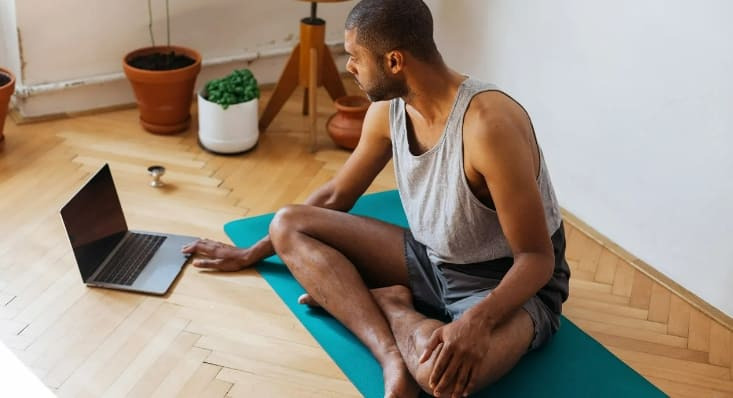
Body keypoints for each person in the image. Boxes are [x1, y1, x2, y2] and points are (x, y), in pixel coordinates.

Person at [183, 0, 570, 397]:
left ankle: (388, 305)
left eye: (355, 57)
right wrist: (254, 252)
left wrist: (479, 321)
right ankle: (389, 353)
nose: (349, 67)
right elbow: (337, 194)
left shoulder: (488, 126)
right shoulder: (388, 110)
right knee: (287, 224)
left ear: (395, 61)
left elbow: (537, 260)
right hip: (433, 258)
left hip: (505, 282)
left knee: (440, 379)